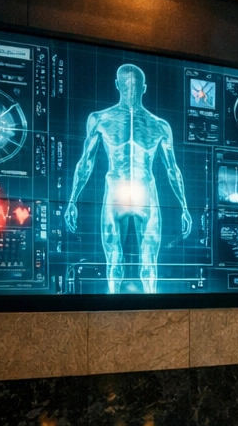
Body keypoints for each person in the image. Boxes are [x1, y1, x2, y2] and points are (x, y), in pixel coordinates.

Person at [66, 63, 191, 294]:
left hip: (117, 191)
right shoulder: (159, 125)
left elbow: (86, 162)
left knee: (117, 261)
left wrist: (72, 200)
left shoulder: (100, 119)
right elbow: (172, 169)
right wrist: (184, 206)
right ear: (145, 88)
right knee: (148, 264)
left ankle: (115, 310)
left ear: (116, 85)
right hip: (143, 192)